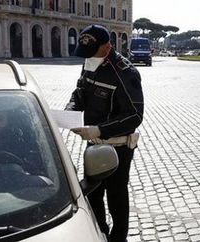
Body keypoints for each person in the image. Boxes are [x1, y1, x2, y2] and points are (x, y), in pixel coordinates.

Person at [66, 25, 144, 242]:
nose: (86, 57)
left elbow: (135, 116)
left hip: (117, 147)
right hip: (93, 142)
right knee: (93, 193)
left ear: (108, 46)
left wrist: (99, 129)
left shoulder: (125, 73)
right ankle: (100, 232)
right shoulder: (90, 61)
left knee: (116, 196)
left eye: (92, 52)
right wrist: (70, 111)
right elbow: (79, 92)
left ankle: (118, 239)